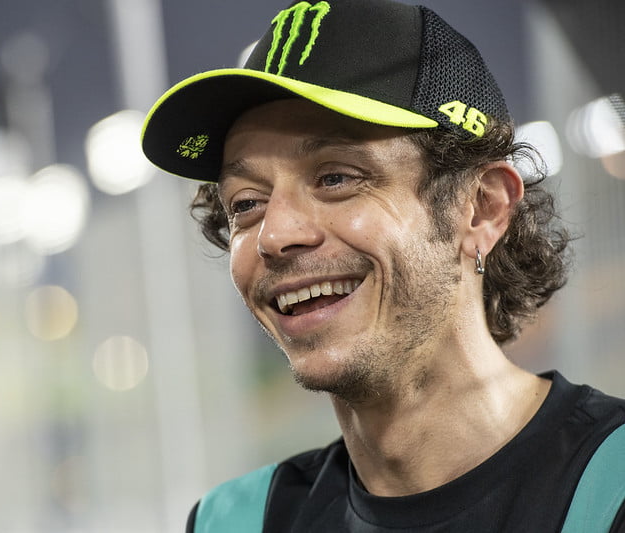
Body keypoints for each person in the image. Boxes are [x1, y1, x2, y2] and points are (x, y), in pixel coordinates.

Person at [141, 0, 625, 531]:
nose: (274, 236)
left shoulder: (610, 487)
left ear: (482, 208)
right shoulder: (235, 520)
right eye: (246, 203)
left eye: (335, 178)